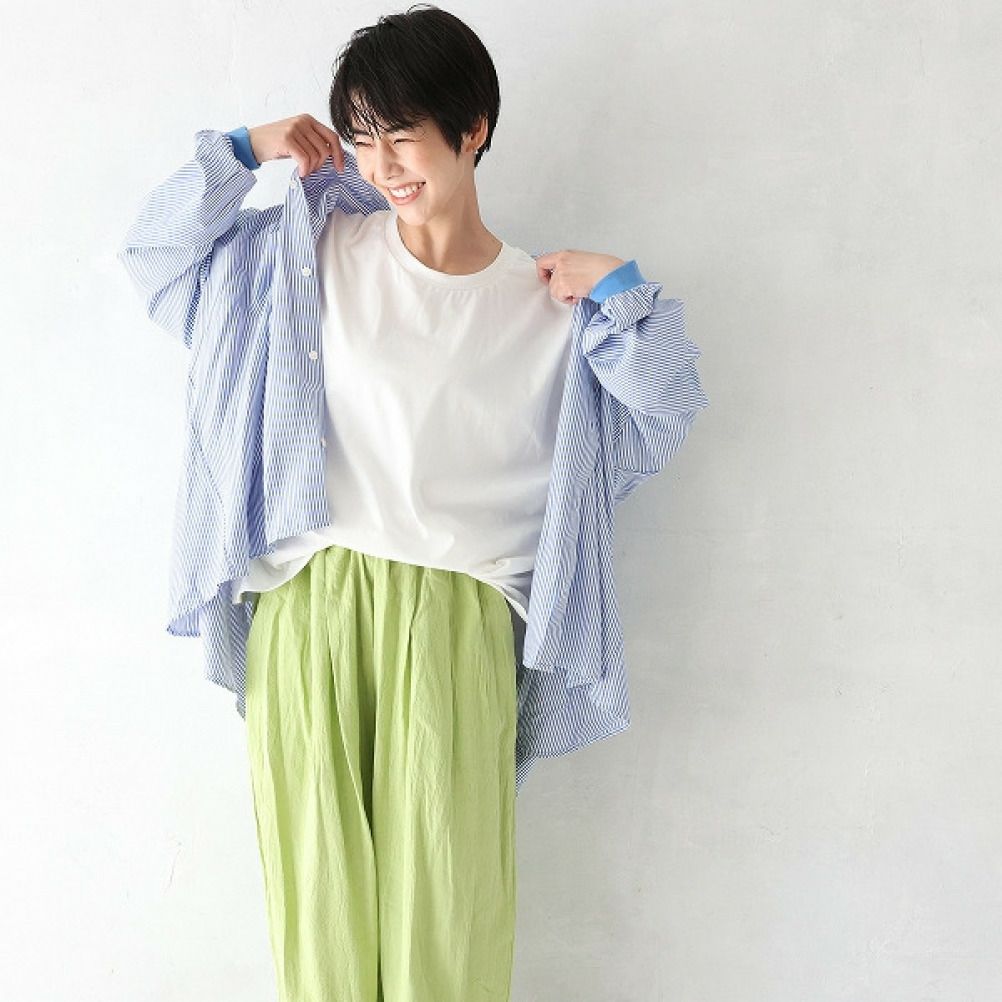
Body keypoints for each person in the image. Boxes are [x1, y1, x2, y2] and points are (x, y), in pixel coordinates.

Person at [117, 4, 709, 1001]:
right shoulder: (308, 254)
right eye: (362, 137)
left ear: (472, 128)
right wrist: (240, 151)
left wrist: (625, 294)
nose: (383, 163)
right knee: (322, 923)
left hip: (460, 621)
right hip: (307, 608)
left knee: (447, 925)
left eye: (402, 133)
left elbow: (666, 408)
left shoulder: (548, 306)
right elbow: (155, 255)